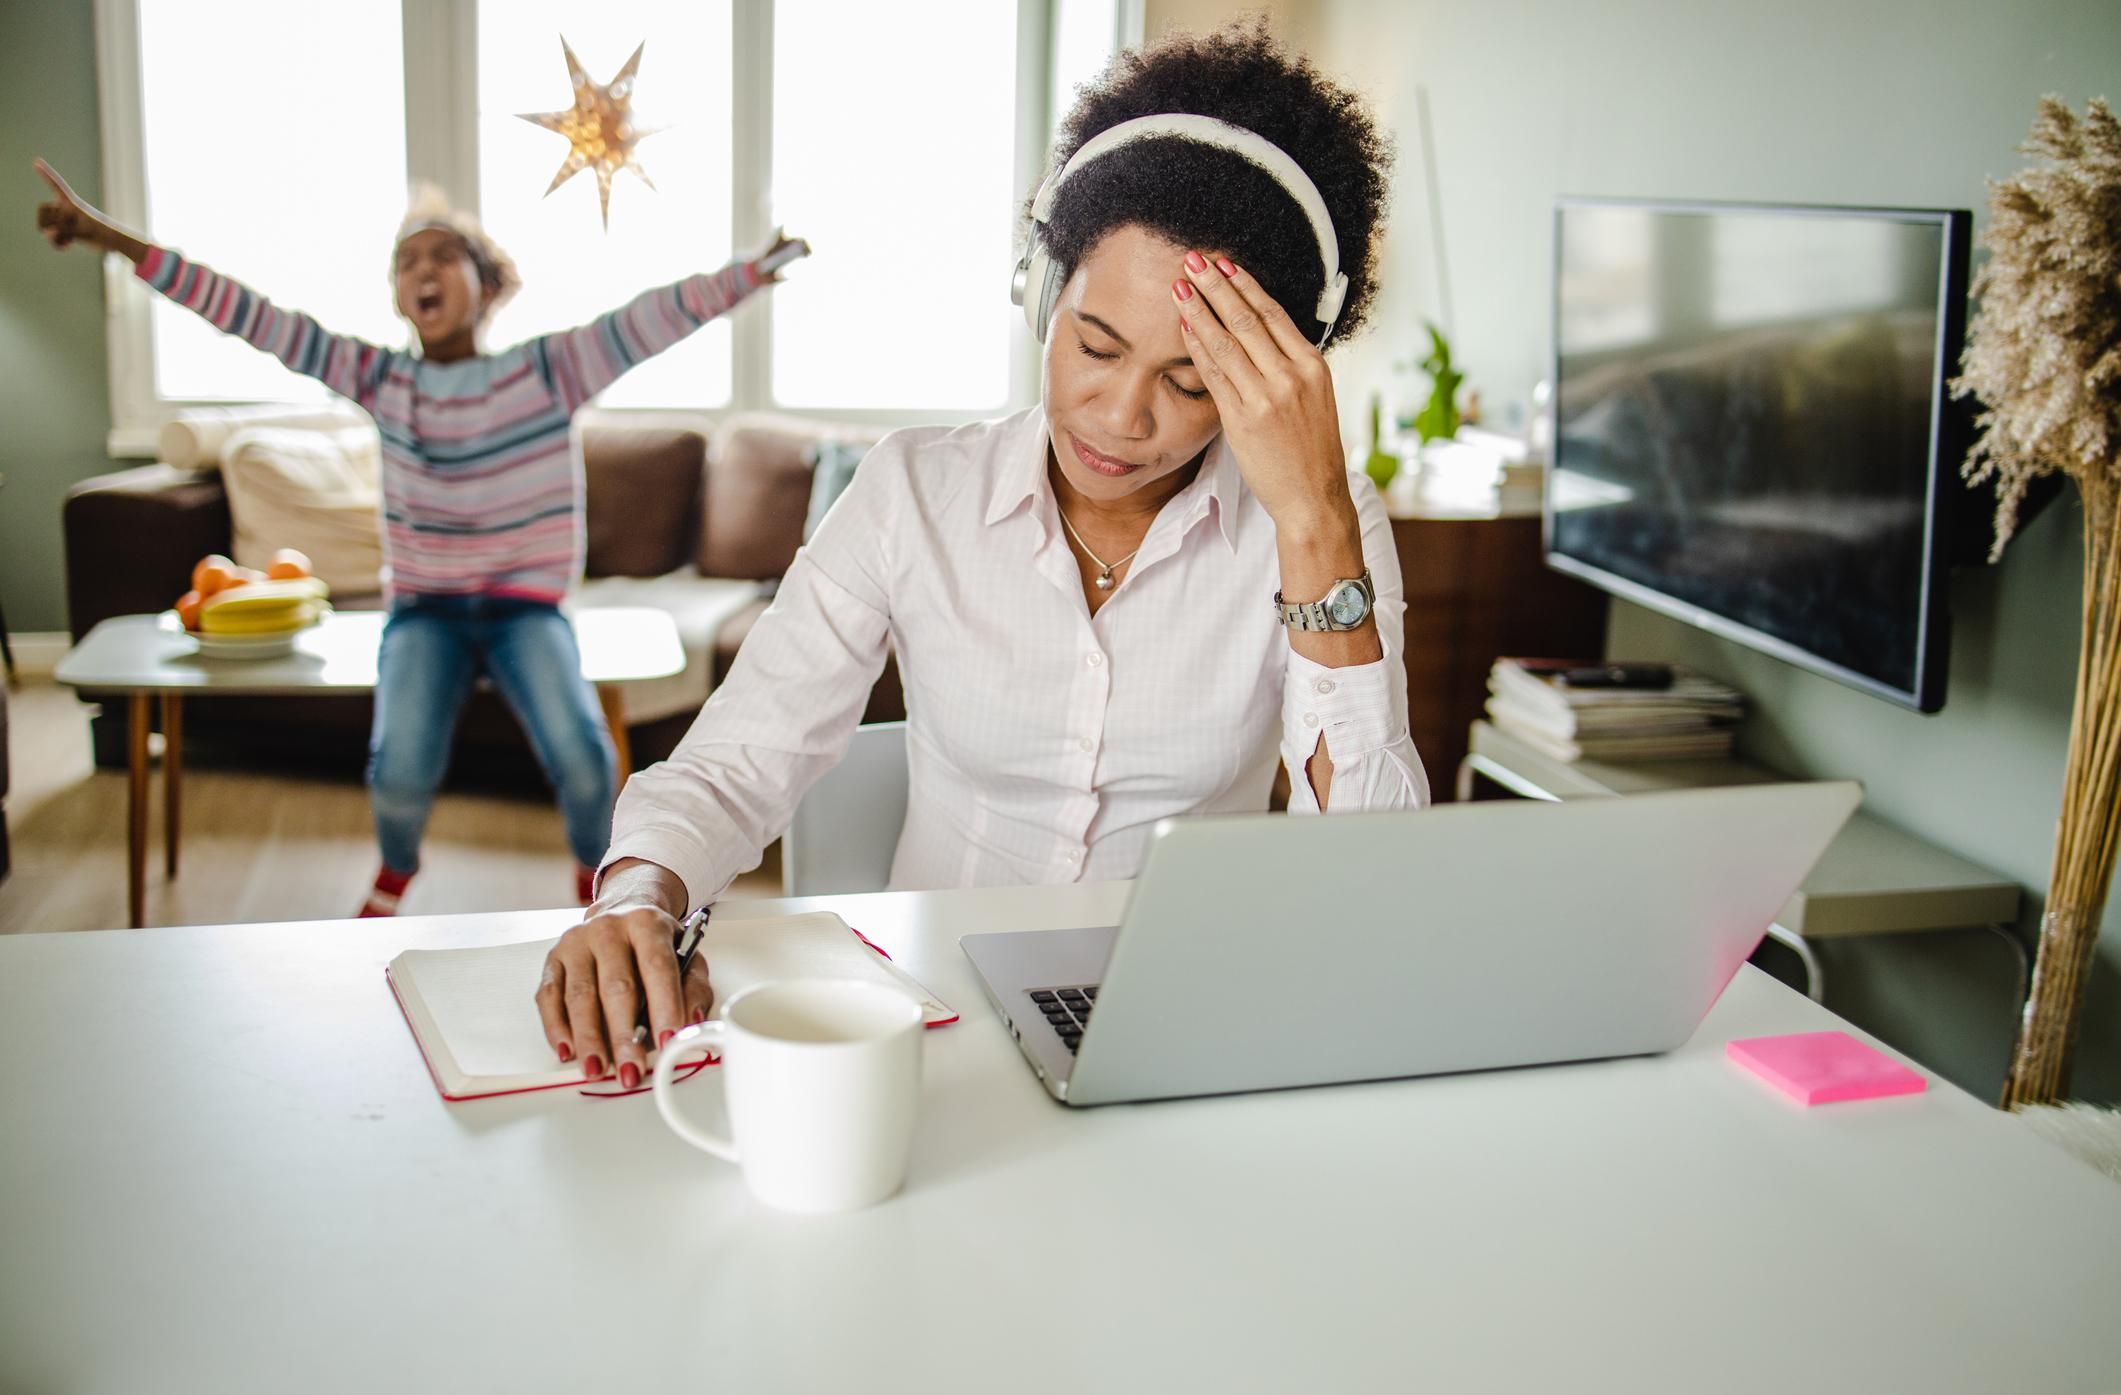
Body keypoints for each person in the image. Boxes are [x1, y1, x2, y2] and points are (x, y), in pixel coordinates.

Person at [539, 21, 1426, 1090]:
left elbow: (1378, 879)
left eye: (1192, 383)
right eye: (1095, 345)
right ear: (1043, 295)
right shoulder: (915, 491)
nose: (1121, 415)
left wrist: (1316, 523)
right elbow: (740, 757)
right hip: (929, 1028)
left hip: (1182, 1029)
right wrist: (638, 894)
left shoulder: (1319, 521)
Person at [33, 164, 805, 917]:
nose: (422, 269)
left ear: (488, 284)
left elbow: (654, 318)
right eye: (407, 261)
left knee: (582, 757)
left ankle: (594, 874)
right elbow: (249, 315)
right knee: (397, 773)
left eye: (442, 255)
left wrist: (749, 273)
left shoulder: (548, 371)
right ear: (400, 297)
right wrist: (114, 241)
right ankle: (398, 868)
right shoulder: (379, 379)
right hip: (425, 614)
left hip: (524, 612)